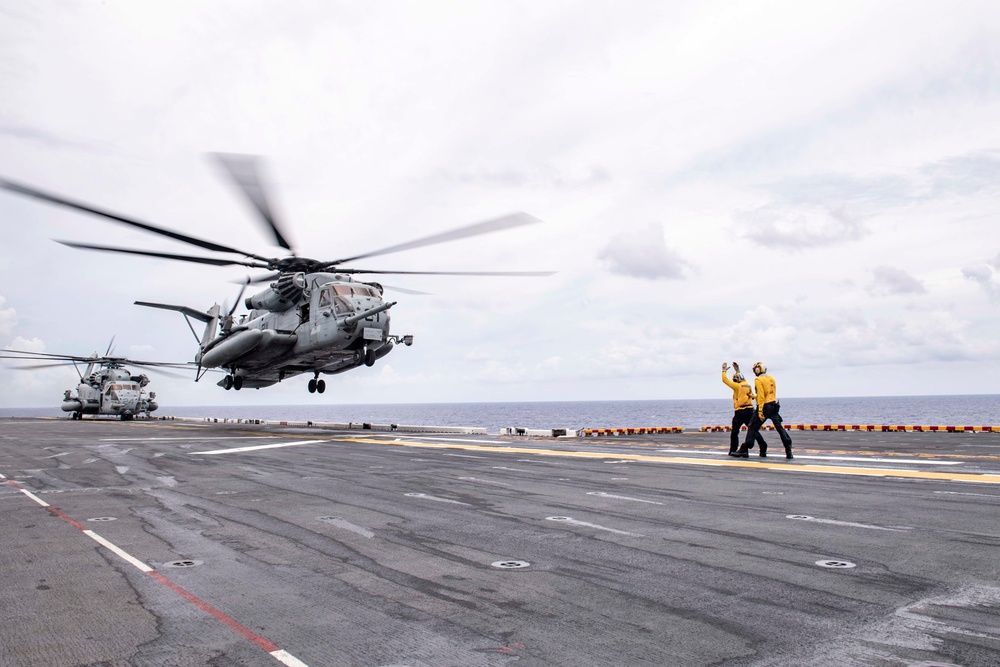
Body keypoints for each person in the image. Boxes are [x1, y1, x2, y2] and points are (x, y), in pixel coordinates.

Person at [736, 361, 793, 459]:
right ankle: (788, 449)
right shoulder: (771, 378)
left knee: (752, 426)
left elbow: (762, 396)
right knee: (779, 428)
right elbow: (771, 393)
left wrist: (760, 411)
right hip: (774, 405)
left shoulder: (758, 380)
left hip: (764, 406)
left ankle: (745, 449)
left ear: (757, 370)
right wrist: (753, 396)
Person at [722, 362, 767, 456]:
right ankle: (763, 446)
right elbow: (742, 378)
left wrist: (723, 370)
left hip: (740, 412)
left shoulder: (737, 386)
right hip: (750, 410)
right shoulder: (747, 384)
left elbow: (725, 380)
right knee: (753, 430)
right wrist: (738, 370)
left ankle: (732, 450)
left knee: (735, 432)